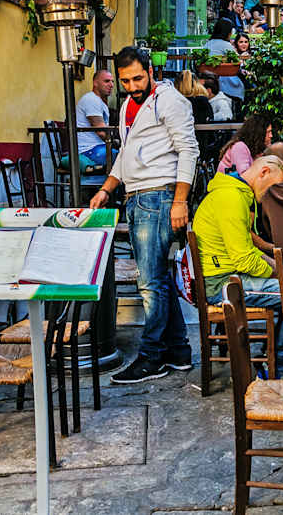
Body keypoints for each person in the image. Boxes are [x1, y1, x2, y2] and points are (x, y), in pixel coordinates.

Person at [89, 47, 198, 383]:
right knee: (158, 279)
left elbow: (188, 149)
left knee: (149, 282)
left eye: (138, 77)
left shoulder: (169, 100)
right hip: (136, 197)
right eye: (125, 81)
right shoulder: (126, 106)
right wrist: (106, 189)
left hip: (159, 196)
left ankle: (152, 357)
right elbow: (125, 152)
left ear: (151, 70)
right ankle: (178, 351)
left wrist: (180, 201)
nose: (133, 85)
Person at [193, 154, 283, 368]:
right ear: (264, 172)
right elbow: (244, 260)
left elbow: (247, 250)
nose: (271, 195)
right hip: (223, 285)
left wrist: (277, 266)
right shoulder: (232, 198)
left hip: (227, 278)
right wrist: (279, 273)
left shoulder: (234, 194)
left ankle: (280, 357)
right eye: (272, 188)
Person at [75, 69, 116, 169]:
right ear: (95, 83)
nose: (111, 85)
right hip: (88, 151)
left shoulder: (100, 102)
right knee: (123, 157)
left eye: (112, 81)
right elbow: (102, 132)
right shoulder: (91, 100)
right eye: (106, 81)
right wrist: (118, 141)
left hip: (97, 148)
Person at [205, 19, 245, 110]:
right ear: (227, 32)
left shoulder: (208, 43)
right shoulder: (225, 45)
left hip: (210, 77)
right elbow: (237, 63)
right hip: (224, 79)